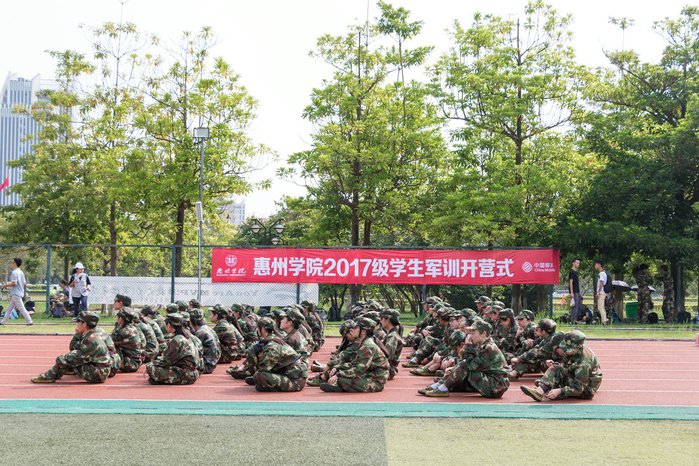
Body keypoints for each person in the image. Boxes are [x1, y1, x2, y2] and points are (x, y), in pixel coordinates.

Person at [420, 319, 510, 398]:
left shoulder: (489, 347)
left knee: (464, 364)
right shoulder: (481, 345)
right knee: (456, 377)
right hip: (489, 380)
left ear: (483, 334)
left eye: (473, 333)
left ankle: (442, 389)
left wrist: (468, 347)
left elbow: (471, 366)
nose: (470, 335)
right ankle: (439, 386)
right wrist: (453, 370)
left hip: (495, 386)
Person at [520, 330, 602, 402]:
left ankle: (546, 387)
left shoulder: (584, 363)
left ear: (578, 347)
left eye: (569, 348)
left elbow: (579, 388)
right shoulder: (574, 351)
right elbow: (566, 367)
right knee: (556, 367)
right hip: (576, 378)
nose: (566, 350)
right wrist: (554, 364)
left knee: (556, 387)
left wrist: (560, 391)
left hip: (586, 389)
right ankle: (541, 390)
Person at [31, 311, 110, 383]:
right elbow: (75, 348)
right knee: (68, 360)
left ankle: (49, 376)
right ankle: (52, 375)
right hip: (98, 369)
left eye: (78, 322)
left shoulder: (91, 339)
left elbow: (75, 357)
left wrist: (60, 359)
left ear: (84, 324)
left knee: (64, 361)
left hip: (99, 374)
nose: (76, 324)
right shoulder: (90, 335)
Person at [320, 317, 389, 393]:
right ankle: (341, 386)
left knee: (342, 380)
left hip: (376, 380)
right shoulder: (364, 343)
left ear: (363, 331)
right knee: (339, 374)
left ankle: (341, 387)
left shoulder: (367, 346)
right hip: (369, 373)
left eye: (356, 327)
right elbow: (355, 363)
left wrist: (339, 374)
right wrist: (338, 367)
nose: (352, 329)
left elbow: (358, 369)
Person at [246, 317, 307, 392]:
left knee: (259, 375)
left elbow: (264, 369)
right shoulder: (274, 339)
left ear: (263, 329)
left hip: (295, 382)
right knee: (258, 376)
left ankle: (269, 384)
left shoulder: (272, 346)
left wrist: (255, 357)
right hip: (292, 375)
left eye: (258, 328)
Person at [145, 313, 200, 385]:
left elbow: (166, 362)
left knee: (151, 368)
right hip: (193, 372)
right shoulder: (186, 336)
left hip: (186, 375)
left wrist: (152, 363)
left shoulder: (177, 340)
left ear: (169, 325)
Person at [0, 257, 33, 326]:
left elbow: (14, 283)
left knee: (21, 308)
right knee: (9, 309)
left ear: (15, 263)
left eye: (12, 262)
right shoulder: (21, 272)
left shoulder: (14, 272)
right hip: (18, 292)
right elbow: (24, 283)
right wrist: (10, 284)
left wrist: (5, 285)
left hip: (16, 293)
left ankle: (29, 321)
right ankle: (2, 322)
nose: (11, 264)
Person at [189, 308, 221, 374]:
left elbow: (191, 351)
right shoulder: (208, 329)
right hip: (212, 362)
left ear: (192, 321)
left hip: (206, 365)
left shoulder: (200, 333)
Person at [594, 260, 609, 325]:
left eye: (595, 265)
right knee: (601, 307)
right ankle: (605, 319)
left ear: (599, 265)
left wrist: (598, 292)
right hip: (602, 292)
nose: (595, 266)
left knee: (600, 307)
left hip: (601, 292)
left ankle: (604, 321)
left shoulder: (601, 273)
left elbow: (601, 283)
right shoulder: (603, 273)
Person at [568, 258, 582, 322]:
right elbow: (570, 282)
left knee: (578, 306)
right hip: (574, 292)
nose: (578, 264)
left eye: (579, 263)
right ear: (573, 263)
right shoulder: (571, 272)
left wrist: (579, 293)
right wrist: (572, 292)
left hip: (577, 291)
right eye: (577, 263)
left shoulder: (576, 272)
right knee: (574, 307)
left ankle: (575, 320)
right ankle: (572, 320)